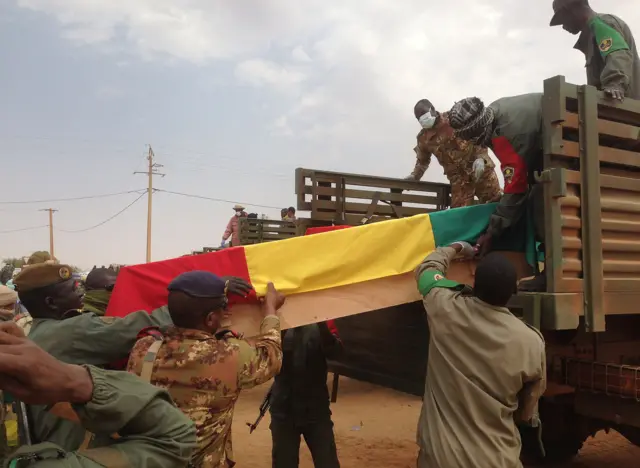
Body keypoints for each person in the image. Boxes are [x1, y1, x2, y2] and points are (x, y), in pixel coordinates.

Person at [127, 271, 284, 467]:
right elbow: (271, 356)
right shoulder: (230, 356)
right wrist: (270, 310)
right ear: (210, 319)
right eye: (222, 309)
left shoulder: (143, 348)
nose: (226, 313)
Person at [12, 262, 175, 450]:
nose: (81, 293)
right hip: (77, 451)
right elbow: (142, 325)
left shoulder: (37, 333)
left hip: (50, 447)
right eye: (73, 289)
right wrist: (188, 303)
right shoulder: (71, 331)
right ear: (51, 302)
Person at [414, 242, 546, 468]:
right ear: (513, 291)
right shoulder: (531, 342)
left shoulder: (445, 310)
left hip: (440, 459)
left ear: (474, 284)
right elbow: (527, 412)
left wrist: (456, 248)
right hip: (497, 460)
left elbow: (427, 270)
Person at [0, 321, 196, 467]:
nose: (78, 294)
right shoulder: (73, 331)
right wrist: (74, 380)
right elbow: (173, 439)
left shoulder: (145, 346)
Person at [448, 94, 545, 291]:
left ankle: (554, 273)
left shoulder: (506, 133)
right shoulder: (495, 111)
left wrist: (493, 230)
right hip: (561, 138)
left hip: (572, 149)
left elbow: (517, 186)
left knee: (540, 203)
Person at [269, 321, 343, 468]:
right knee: (284, 463)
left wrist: (321, 324)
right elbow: (266, 359)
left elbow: (336, 353)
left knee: (327, 462)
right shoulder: (275, 320)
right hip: (284, 411)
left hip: (316, 409)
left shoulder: (324, 319)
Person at [406, 99, 502, 208]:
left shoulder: (454, 118)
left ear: (432, 109)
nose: (423, 121)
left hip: (480, 169)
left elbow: (479, 134)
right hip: (459, 181)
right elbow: (422, 161)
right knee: (460, 215)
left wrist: (481, 157)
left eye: (424, 116)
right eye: (420, 119)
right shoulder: (423, 138)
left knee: (495, 205)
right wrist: (415, 176)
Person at [550, 0, 640, 101]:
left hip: (623, 107)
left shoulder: (601, 23)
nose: (563, 26)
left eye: (563, 19)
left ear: (573, 10)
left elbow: (619, 54)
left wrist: (615, 84)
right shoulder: (592, 32)